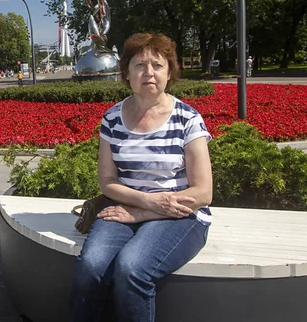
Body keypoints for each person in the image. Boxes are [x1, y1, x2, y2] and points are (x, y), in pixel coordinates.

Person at [69, 33, 213, 322]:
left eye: (157, 65)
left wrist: (141, 213)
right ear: (126, 72)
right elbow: (107, 181)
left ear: (169, 72)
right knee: (91, 266)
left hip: (180, 214)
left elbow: (203, 192)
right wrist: (144, 203)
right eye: (139, 65)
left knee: (132, 268)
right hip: (124, 206)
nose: (149, 73)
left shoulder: (188, 119)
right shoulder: (112, 118)